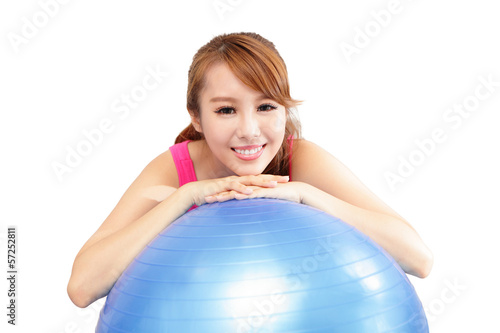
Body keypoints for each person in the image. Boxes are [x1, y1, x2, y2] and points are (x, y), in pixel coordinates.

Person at [67, 32, 433, 308]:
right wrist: (186, 197)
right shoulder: (174, 169)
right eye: (226, 110)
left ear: (284, 109)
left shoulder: (301, 160)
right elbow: (82, 288)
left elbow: (418, 259)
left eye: (266, 106)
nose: (249, 130)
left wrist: (307, 195)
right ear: (196, 116)